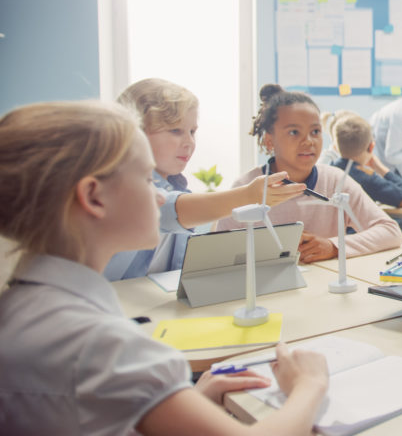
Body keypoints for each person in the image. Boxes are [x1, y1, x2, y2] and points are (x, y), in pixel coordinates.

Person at [0, 100, 328, 435]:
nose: (161, 198)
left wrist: (171, 398)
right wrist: (309, 384)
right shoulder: (99, 343)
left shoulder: (23, 309)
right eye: (147, 179)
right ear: (94, 197)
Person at [105, 78, 304, 281]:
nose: (189, 142)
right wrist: (247, 195)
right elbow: (166, 210)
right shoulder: (121, 187)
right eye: (175, 131)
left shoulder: (177, 186)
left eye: (192, 132)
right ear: (134, 133)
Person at [217, 84, 402, 263]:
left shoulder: (335, 180)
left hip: (323, 287)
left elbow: (390, 231)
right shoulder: (247, 188)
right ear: (269, 141)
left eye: (315, 131)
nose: (308, 141)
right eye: (294, 132)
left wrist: (333, 246)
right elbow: (219, 251)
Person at [326, 109, 402, 208]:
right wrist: (382, 169)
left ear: (336, 146)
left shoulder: (328, 171)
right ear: (371, 147)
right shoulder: (367, 179)